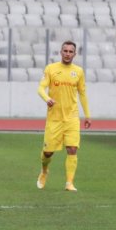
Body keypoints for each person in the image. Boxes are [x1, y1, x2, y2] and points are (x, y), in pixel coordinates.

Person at [36, 40, 92, 192]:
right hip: (54, 118)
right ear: (60, 53)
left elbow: (82, 93)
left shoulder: (78, 72)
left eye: (70, 51)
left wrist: (87, 115)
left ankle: (69, 183)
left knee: (72, 149)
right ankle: (44, 171)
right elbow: (40, 88)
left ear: (75, 54)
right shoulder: (51, 69)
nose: (67, 54)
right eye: (65, 51)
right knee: (48, 152)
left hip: (72, 118)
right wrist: (47, 99)